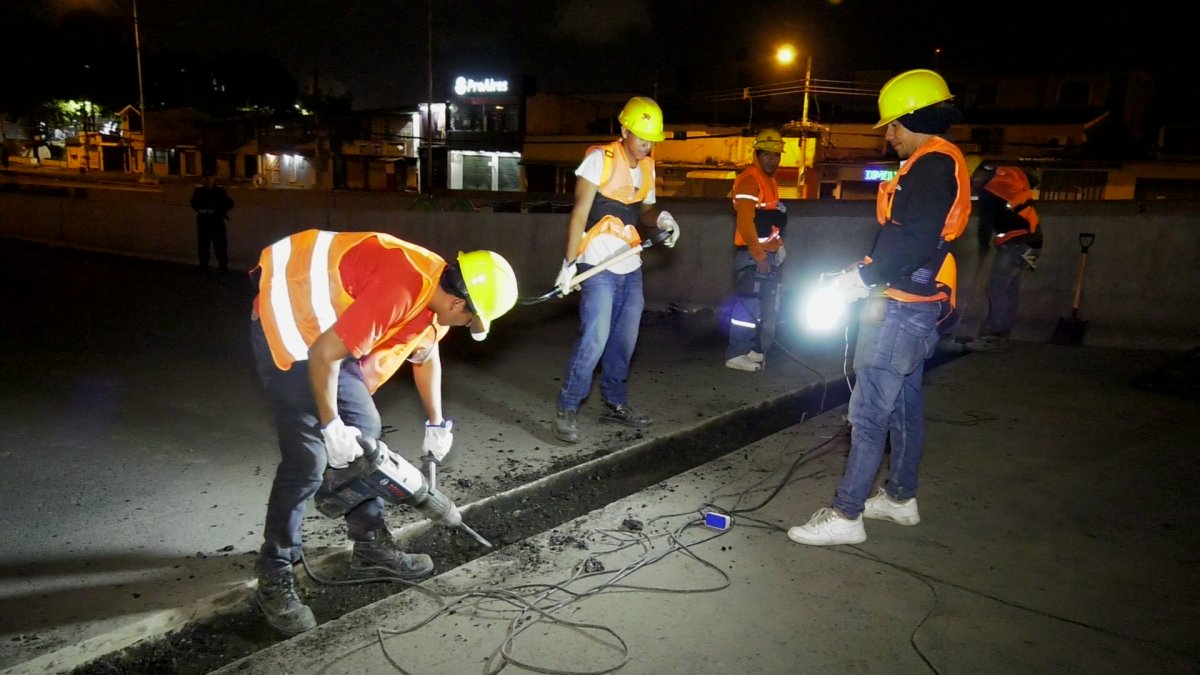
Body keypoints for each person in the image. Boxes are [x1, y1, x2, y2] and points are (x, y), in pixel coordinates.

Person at [248, 229, 518, 635]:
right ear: (458, 302)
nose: (466, 325)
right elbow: (323, 353)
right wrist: (331, 425)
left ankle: (370, 545)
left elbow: (426, 356)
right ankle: (274, 570)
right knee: (311, 459)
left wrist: (436, 421)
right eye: (470, 319)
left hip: (327, 330)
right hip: (289, 313)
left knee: (362, 440)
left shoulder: (438, 292)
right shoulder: (404, 287)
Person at [788, 69, 971, 546]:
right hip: (920, 304)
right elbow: (907, 239)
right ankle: (900, 498)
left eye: (892, 125)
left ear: (915, 116)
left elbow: (911, 240)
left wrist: (862, 279)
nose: (887, 134)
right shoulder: (939, 162)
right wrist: (862, 268)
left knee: (868, 413)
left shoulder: (932, 165)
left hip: (904, 310)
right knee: (905, 405)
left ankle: (847, 516)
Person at [551, 96, 680, 444]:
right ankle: (567, 406)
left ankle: (615, 402)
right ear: (624, 130)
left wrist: (663, 220)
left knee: (624, 341)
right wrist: (569, 262)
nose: (647, 145)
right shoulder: (599, 159)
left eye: (652, 139)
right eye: (641, 137)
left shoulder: (649, 167)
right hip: (597, 265)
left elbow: (647, 212)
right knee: (595, 337)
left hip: (630, 264)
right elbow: (579, 212)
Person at [725, 129, 788, 371]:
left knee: (760, 306)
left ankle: (751, 351)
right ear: (757, 154)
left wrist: (778, 247)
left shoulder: (769, 181)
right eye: (767, 154)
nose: (772, 159)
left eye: (776, 154)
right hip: (753, 255)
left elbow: (769, 221)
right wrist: (759, 255)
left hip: (765, 253)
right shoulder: (750, 179)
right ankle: (736, 353)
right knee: (748, 305)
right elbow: (745, 222)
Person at [964, 161, 1042, 352]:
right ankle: (1003, 334)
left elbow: (985, 225)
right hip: (1033, 241)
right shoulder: (1010, 182)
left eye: (975, 177)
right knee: (1010, 289)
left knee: (996, 287)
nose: (974, 181)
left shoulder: (990, 192)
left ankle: (994, 335)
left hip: (1016, 243)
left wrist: (982, 247)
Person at [190, 175, 234, 272]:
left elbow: (229, 203)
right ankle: (204, 265)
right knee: (204, 245)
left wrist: (218, 209)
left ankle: (222, 266)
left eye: (210, 178)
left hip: (214, 220)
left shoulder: (219, 191)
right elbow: (194, 203)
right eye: (207, 178)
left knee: (219, 245)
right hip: (206, 220)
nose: (208, 180)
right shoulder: (200, 192)